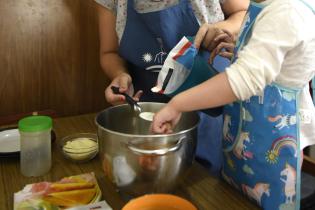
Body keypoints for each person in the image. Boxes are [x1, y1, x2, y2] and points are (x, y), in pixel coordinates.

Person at [151, 0, 315, 209]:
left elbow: (244, 79)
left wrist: (177, 104)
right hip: (248, 138)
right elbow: (274, 58)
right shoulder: (269, 7)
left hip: (271, 141)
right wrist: (243, 47)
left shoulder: (287, 11)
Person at [96, 0, 249, 174]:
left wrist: (223, 28)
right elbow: (109, 52)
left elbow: (245, 13)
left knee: (206, 184)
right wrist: (120, 75)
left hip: (208, 99)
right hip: (149, 107)